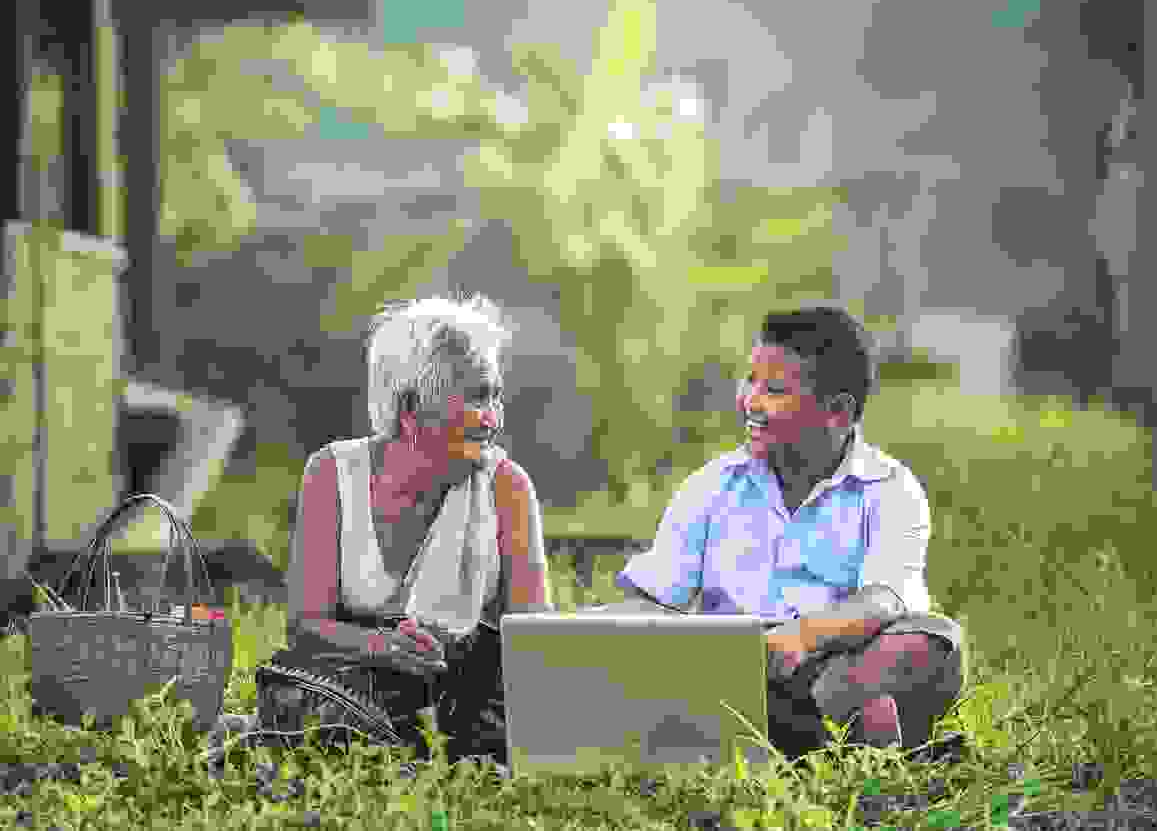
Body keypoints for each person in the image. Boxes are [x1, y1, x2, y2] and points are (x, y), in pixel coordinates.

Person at [611, 306, 964, 765]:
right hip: (731, 671)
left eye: (774, 390)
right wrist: (587, 632)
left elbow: (886, 600)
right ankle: (844, 745)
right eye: (750, 381)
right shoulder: (711, 486)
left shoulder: (890, 488)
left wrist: (804, 636)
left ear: (837, 412)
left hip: (834, 668)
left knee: (932, 642)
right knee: (653, 662)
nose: (751, 402)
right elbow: (656, 599)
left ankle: (801, 738)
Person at [266, 293, 553, 765]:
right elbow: (306, 626)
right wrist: (383, 647)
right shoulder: (331, 472)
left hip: (462, 706)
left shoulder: (508, 486)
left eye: (495, 396)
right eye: (476, 397)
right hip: (353, 694)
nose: (493, 419)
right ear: (410, 407)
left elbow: (536, 642)